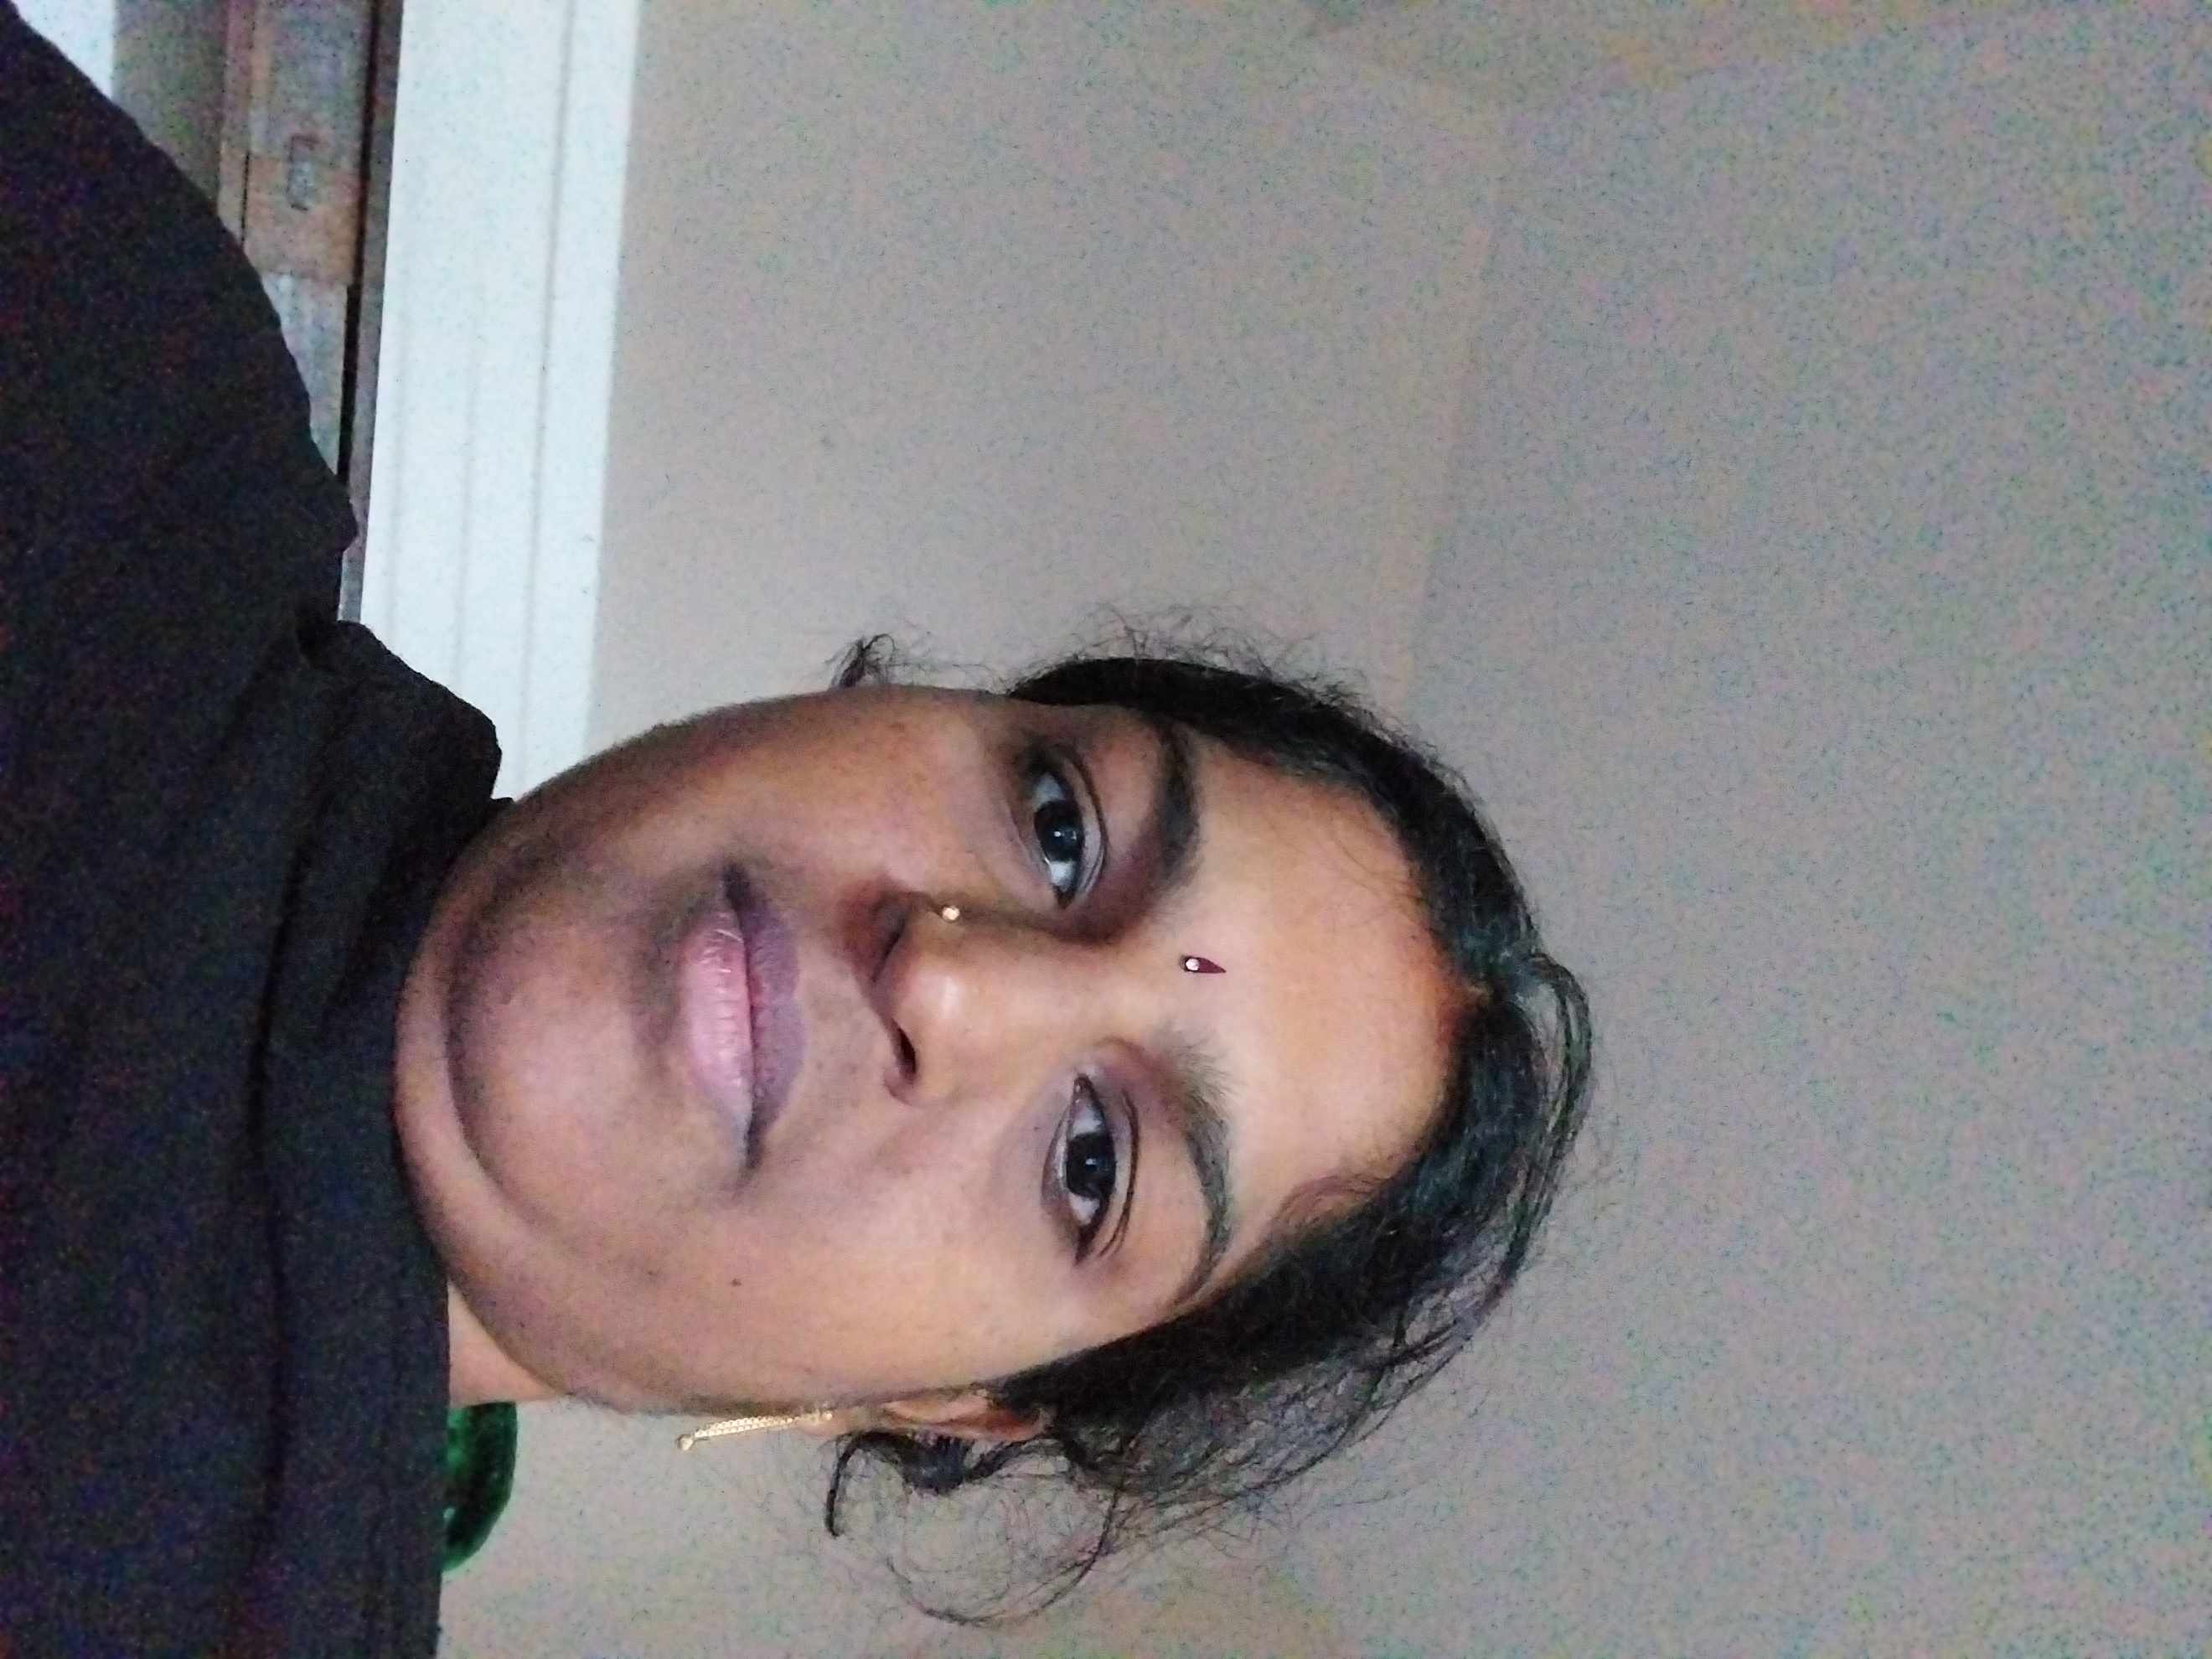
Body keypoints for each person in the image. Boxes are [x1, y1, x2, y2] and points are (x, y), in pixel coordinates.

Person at [0, 8, 1591, 1652]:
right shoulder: (105, 360)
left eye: (1093, 1163)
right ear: (906, 705)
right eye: (1059, 826)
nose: (953, 983)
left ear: (951, 1402)